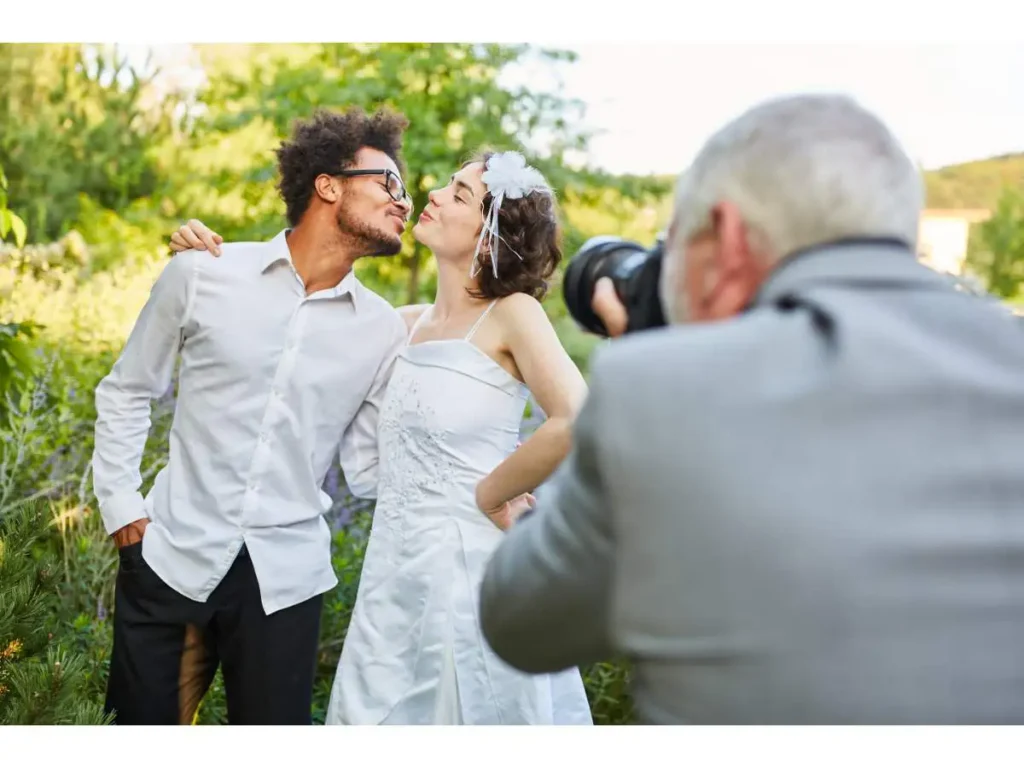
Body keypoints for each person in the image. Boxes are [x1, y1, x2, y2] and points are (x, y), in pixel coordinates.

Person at [478, 93, 1024, 724]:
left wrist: (665, 362)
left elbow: (522, 623)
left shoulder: (661, 390)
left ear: (728, 239)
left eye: (673, 244)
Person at [168, 150, 594, 724]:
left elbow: (574, 417)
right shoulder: (398, 324)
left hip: (473, 569)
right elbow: (292, 333)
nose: (435, 194)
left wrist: (492, 492)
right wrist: (212, 264)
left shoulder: (512, 313)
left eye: (460, 194)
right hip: (393, 572)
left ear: (489, 240)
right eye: (447, 184)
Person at [92, 106, 413, 725]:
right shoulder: (201, 273)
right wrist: (121, 508)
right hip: (168, 557)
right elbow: (127, 388)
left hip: (286, 584)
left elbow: (369, 470)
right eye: (388, 183)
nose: (402, 202)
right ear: (328, 184)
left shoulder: (382, 331)